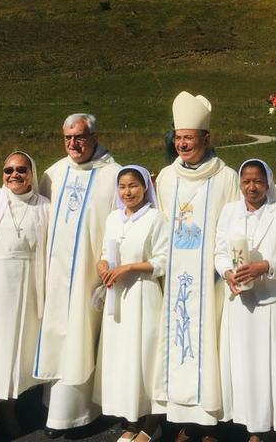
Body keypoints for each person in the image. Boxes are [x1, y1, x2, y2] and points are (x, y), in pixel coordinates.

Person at [153, 91, 240, 440]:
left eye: (189, 137)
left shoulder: (227, 177)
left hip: (212, 280)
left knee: (210, 346)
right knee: (178, 342)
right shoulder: (165, 177)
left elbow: (235, 226)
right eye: (178, 137)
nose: (182, 144)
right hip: (175, 278)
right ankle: (181, 418)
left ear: (206, 138)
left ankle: (211, 421)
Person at [33, 113, 121, 438]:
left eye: (80, 137)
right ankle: (54, 409)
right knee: (57, 337)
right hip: (55, 277)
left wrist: (107, 265)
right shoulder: (53, 174)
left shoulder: (113, 175)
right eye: (68, 138)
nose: (74, 144)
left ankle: (81, 413)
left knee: (83, 340)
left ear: (95, 137)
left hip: (90, 278)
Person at [0, 152, 50, 440]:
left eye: (21, 169)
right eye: (8, 170)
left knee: (17, 353)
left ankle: (11, 410)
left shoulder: (44, 206)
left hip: (27, 287)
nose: (14, 175)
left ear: (32, 172)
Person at [215, 159, 276, 441]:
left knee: (272, 369)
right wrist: (227, 272)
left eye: (258, 182)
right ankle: (249, 423)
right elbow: (219, 252)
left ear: (268, 183)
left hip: (272, 302)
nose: (252, 187)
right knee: (244, 365)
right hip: (240, 303)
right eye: (246, 181)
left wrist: (265, 266)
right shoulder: (229, 212)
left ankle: (272, 426)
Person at [94, 165, 169, 442]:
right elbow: (105, 251)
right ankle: (130, 419)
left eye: (133, 186)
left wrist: (129, 268)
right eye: (123, 186)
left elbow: (163, 259)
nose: (128, 192)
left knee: (144, 358)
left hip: (143, 294)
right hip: (118, 299)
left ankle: (152, 422)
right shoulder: (113, 218)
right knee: (123, 359)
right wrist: (102, 265)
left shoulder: (155, 218)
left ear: (145, 187)